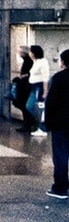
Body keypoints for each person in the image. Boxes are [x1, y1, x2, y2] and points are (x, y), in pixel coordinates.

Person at [45, 49, 69, 199]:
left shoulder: (59, 78)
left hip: (62, 124)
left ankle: (60, 188)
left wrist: (48, 123)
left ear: (64, 62)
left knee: (61, 155)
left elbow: (51, 103)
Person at [27, 45, 50, 137]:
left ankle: (42, 127)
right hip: (33, 86)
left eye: (31, 51)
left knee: (37, 107)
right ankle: (39, 125)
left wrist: (45, 91)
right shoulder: (35, 62)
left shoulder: (43, 62)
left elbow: (45, 77)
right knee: (31, 106)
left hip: (39, 87)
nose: (29, 53)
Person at [13, 46, 35, 133]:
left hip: (25, 87)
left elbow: (28, 74)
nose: (19, 54)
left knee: (24, 105)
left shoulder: (29, 61)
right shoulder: (27, 61)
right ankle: (28, 124)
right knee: (23, 105)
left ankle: (29, 124)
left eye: (20, 52)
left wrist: (23, 77)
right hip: (24, 85)